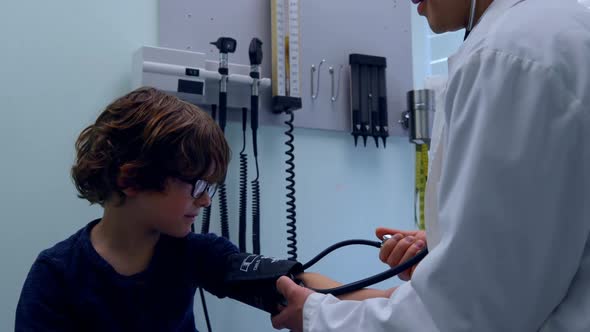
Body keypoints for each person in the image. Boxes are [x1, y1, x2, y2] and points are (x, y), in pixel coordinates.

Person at [271, 0, 590, 331]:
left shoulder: (506, 54)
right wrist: (451, 248)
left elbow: (467, 316)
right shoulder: (564, 28)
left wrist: (314, 316)